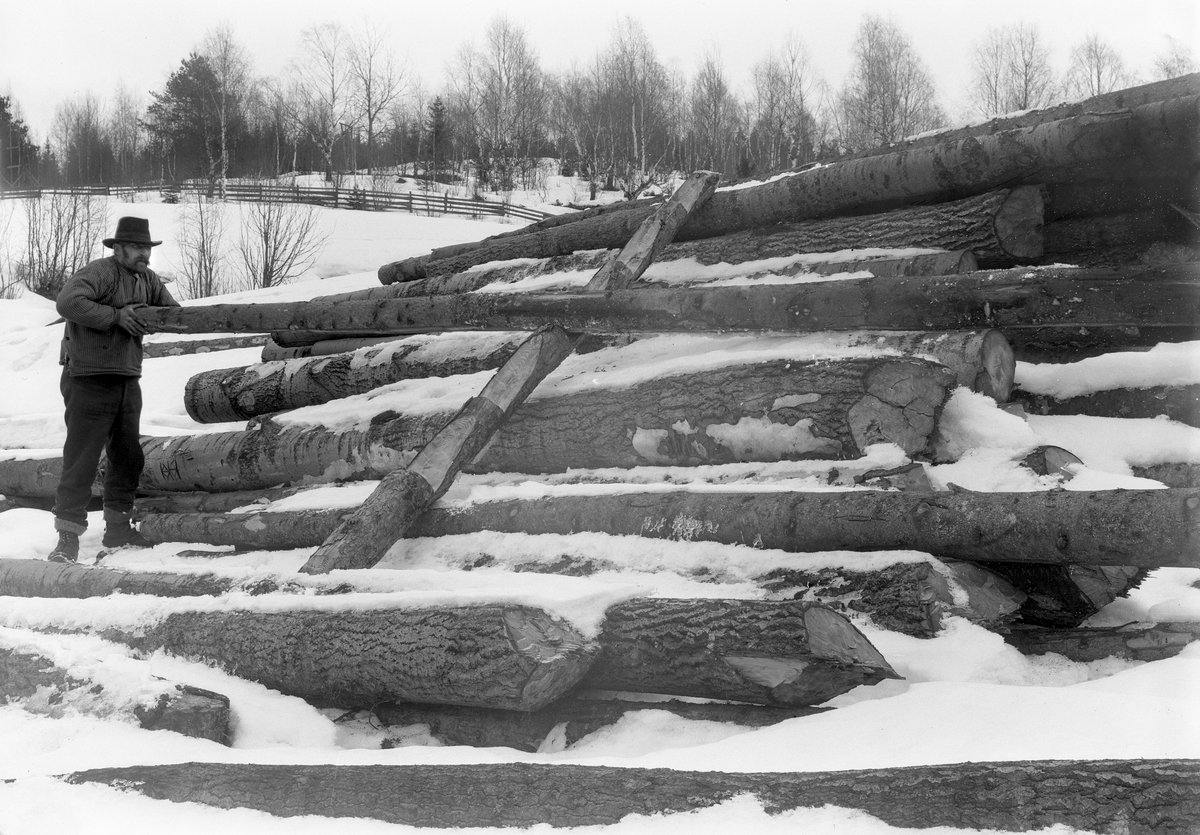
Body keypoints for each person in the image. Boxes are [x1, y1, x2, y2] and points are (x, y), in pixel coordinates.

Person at [46, 216, 180, 563]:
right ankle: (67, 538)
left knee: (127, 456)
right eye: (136, 247)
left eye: (147, 249)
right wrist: (116, 317)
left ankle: (118, 528)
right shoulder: (100, 272)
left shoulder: (146, 279)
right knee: (82, 459)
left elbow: (171, 313)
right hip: (88, 378)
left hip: (126, 378)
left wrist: (161, 318)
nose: (144, 255)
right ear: (118, 248)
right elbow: (68, 303)